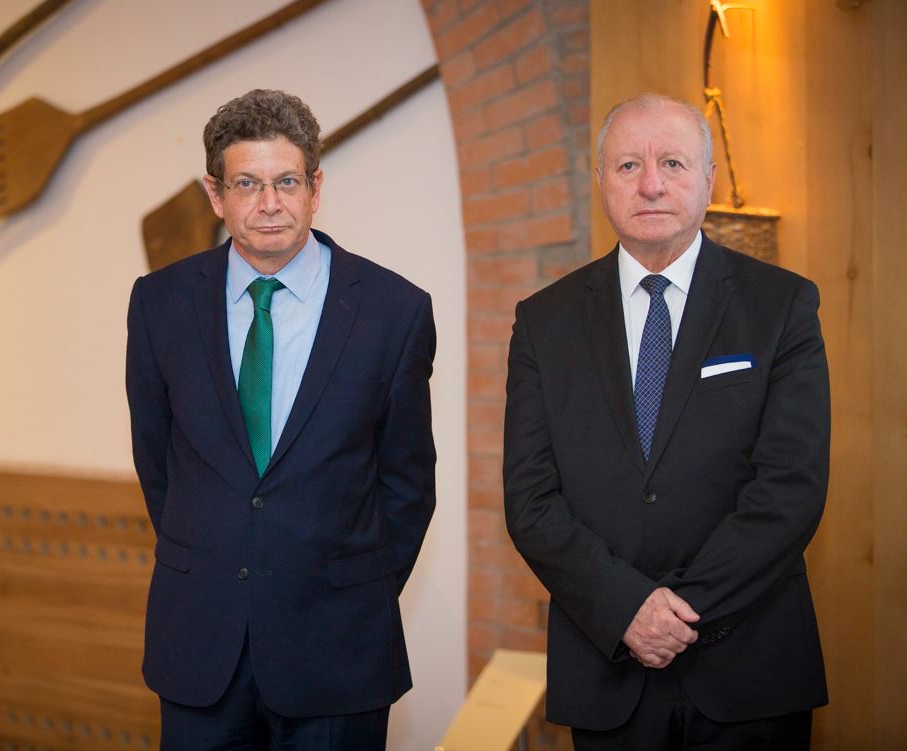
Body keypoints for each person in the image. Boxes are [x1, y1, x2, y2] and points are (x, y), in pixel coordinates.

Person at [502, 93, 830, 750]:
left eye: (672, 163)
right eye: (628, 165)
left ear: (708, 179)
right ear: (601, 181)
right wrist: (626, 608)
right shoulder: (543, 321)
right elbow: (531, 501)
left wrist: (678, 612)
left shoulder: (781, 305)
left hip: (750, 667)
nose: (650, 184)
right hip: (607, 666)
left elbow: (790, 488)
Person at [125, 89, 436, 750]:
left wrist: (355, 591)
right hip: (200, 645)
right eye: (247, 183)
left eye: (286, 181)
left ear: (315, 187)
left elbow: (407, 484)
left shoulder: (394, 311)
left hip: (339, 650)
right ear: (215, 195)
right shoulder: (159, 304)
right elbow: (159, 465)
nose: (269, 203)